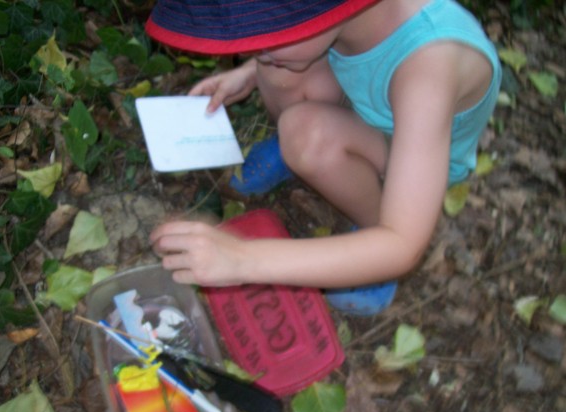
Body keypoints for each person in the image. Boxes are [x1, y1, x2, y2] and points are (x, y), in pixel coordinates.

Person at [146, 0, 502, 315]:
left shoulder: (428, 67)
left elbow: (403, 244)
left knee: (307, 138)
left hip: (416, 152)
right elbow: (301, 34)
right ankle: (299, 148)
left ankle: (371, 236)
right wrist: (249, 73)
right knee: (280, 68)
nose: (253, 47)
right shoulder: (346, 16)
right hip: (371, 104)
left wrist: (241, 259)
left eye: (266, 29)